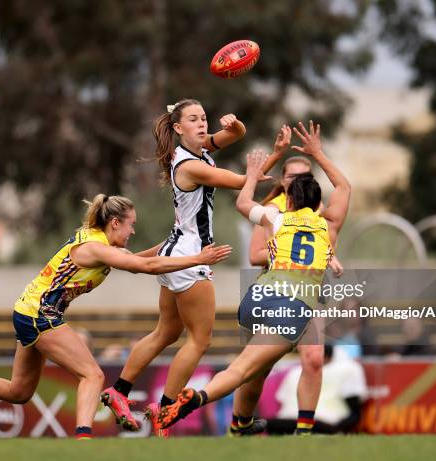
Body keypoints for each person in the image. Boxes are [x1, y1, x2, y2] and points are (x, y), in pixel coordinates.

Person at [0, 194, 231, 440]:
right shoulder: (96, 247)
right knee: (92, 376)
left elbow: (137, 259)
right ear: (115, 224)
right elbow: (143, 267)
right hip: (41, 314)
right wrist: (198, 258)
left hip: (28, 310)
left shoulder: (98, 240)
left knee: (19, 392)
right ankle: (82, 441)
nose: (134, 230)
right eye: (131, 224)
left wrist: (173, 244)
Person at [101, 99, 291, 436]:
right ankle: (166, 406)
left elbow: (233, 137)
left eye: (204, 118)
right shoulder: (191, 165)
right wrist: (273, 156)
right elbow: (242, 182)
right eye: (194, 119)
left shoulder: (194, 151)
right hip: (190, 257)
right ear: (178, 128)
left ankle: (120, 391)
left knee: (167, 332)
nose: (202, 124)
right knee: (200, 340)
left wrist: (235, 127)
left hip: (175, 251)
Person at [156, 120, 351, 434]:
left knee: (279, 363)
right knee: (246, 370)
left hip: (259, 297)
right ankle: (197, 399)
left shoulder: (276, 215)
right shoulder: (327, 222)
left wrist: (251, 175)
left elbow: (242, 203)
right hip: (292, 303)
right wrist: (319, 152)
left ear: (291, 196)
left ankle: (260, 427)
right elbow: (344, 188)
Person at [229, 155, 343, 437]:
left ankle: (303, 433)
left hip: (310, 294)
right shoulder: (273, 211)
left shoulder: (318, 210)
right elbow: (254, 255)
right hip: (277, 292)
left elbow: (325, 241)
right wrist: (284, 253)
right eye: (293, 176)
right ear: (283, 181)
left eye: (305, 176)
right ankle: (239, 425)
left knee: (314, 359)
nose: (299, 181)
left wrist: (328, 258)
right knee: (257, 370)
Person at [267, 345, 367, 435]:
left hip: (316, 423)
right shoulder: (294, 372)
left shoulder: (348, 368)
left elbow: (281, 401)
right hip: (314, 423)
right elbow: (355, 411)